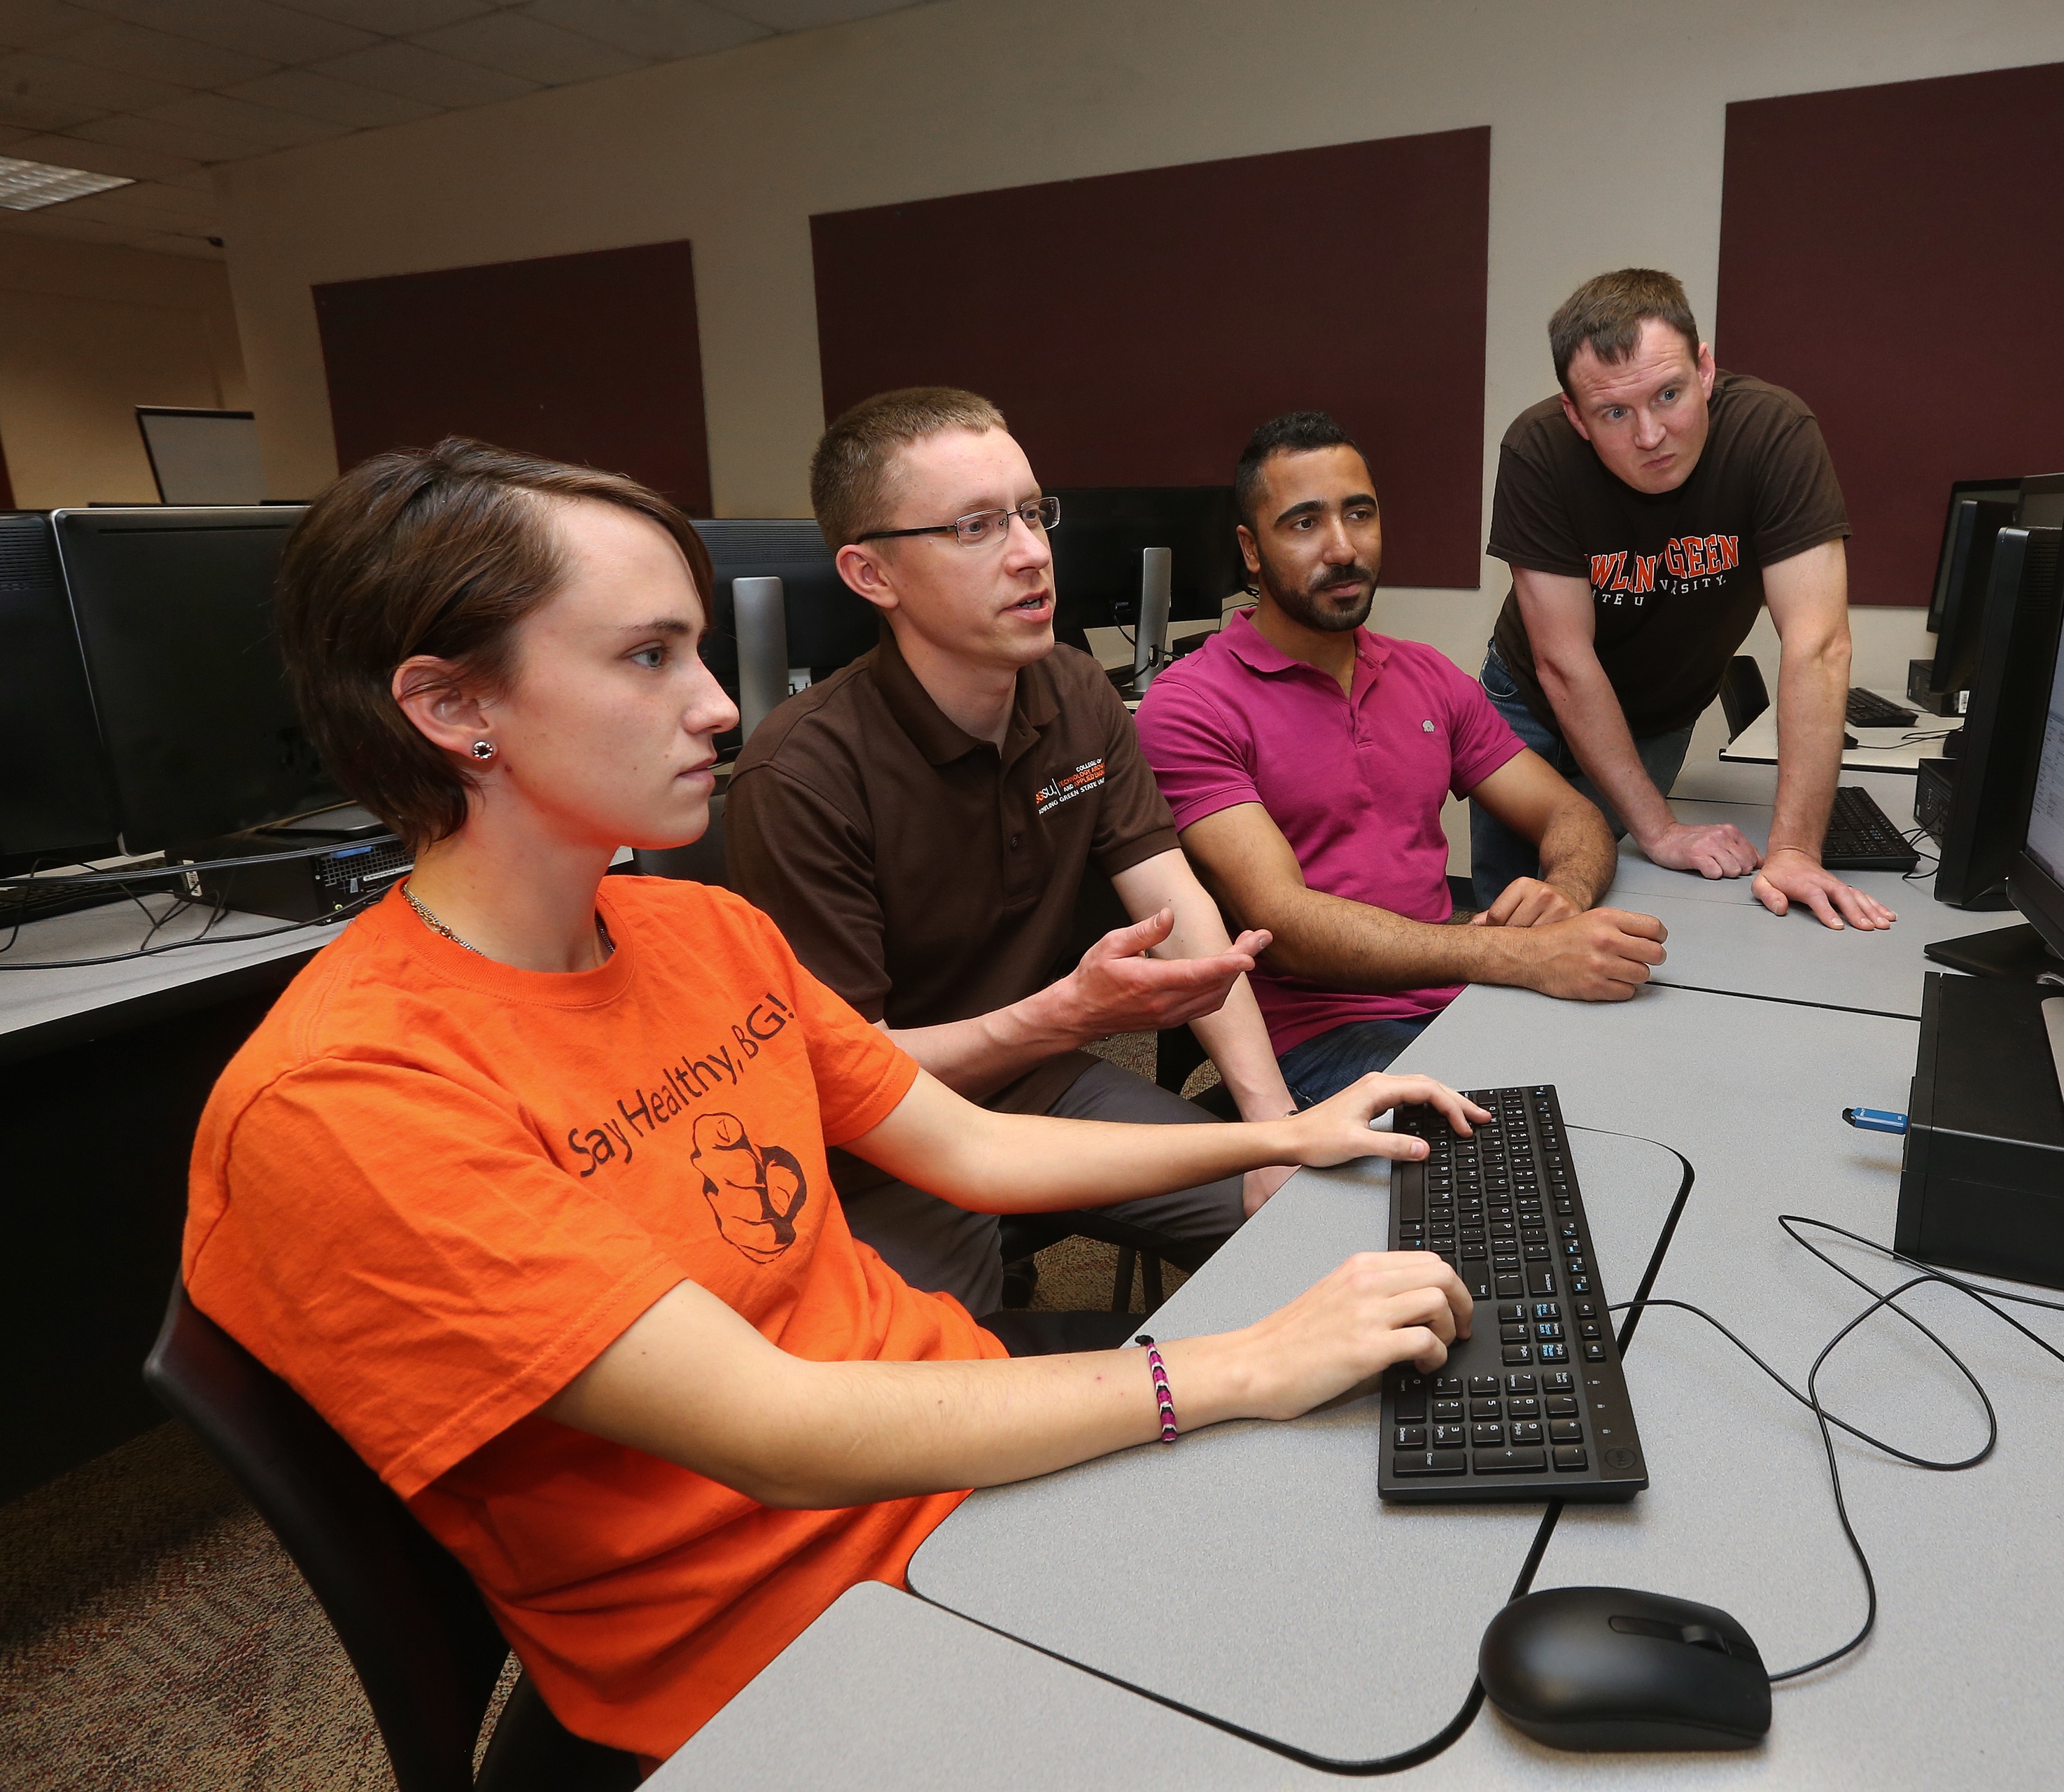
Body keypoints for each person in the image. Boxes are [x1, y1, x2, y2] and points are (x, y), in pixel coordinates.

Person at [185, 439, 1477, 1765]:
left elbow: (967, 1147)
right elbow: (777, 1434)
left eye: (695, 651)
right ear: (455, 710)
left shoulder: (696, 931)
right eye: (646, 658)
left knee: (1415, 1543)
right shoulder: (346, 1096)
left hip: (951, 1474)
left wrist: (1281, 1130)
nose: (716, 708)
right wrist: (1233, 1366)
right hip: (792, 1640)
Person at [724, 387, 1300, 1317]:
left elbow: (1177, 904)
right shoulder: (797, 777)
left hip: (1041, 1083)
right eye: (974, 527)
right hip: (880, 1139)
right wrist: (1067, 1013)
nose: (1033, 552)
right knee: (943, 1399)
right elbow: (847, 1073)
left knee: (1300, 1221)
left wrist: (1272, 1129)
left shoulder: (1072, 688)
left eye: (1033, 512)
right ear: (872, 576)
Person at [1136, 412, 1670, 1105]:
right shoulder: (1190, 705)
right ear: (1251, 549)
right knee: (1544, 1132)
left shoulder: (1426, 676)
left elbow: (1570, 812)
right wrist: (1516, 954)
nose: (1342, 547)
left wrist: (1563, 894)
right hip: (1319, 1036)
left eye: (1359, 514)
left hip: (1458, 997)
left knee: (1655, 1069)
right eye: (1304, 523)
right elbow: (1284, 925)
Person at [1472, 267, 1897, 932]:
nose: (1650, 436)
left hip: (1659, 711)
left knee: (1617, 884)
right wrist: (1662, 827)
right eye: (1614, 412)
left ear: (1703, 370)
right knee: (1514, 909)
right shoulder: (1539, 452)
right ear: (1575, 417)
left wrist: (1792, 850)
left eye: (1668, 394)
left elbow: (1816, 644)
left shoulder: (1772, 435)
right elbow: (1562, 661)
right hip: (1525, 699)